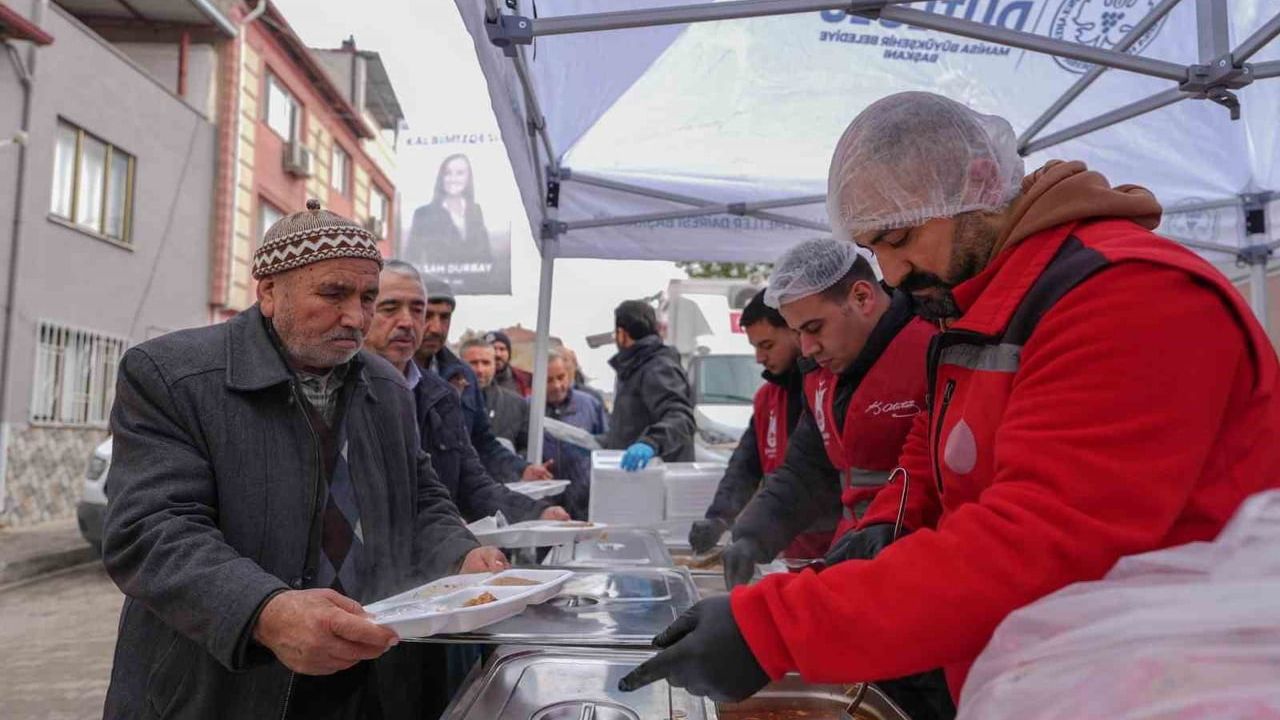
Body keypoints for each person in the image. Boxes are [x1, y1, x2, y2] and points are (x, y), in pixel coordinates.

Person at [618, 91, 1280, 710]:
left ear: (980, 187)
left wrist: (775, 627)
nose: (892, 273)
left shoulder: (1126, 296)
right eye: (874, 248)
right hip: (1049, 676)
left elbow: (1037, 543)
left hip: (1168, 687)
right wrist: (885, 528)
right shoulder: (981, 311)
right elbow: (929, 457)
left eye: (899, 240)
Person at [100, 200, 507, 720]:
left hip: (367, 679)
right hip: (222, 686)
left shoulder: (387, 387)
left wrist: (462, 555)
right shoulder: (171, 375)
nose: (356, 318)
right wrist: (263, 612)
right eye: (333, 293)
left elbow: (421, 498)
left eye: (367, 298)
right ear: (269, 291)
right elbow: (152, 528)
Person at [366, 261, 569, 524]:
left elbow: (470, 477)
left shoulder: (444, 393)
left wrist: (535, 511)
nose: (408, 322)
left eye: (418, 310)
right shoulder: (334, 387)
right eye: (390, 308)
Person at [686, 289, 815, 558]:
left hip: (828, 540)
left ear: (795, 331)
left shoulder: (823, 389)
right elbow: (745, 464)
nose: (759, 358)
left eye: (767, 346)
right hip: (785, 545)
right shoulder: (767, 398)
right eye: (755, 347)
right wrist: (719, 517)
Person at [413, 275, 553, 483]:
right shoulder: (388, 374)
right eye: (427, 315)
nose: (436, 328)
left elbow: (482, 443)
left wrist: (522, 469)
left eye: (444, 317)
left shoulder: (462, 377)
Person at [601, 299, 696, 471]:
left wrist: (651, 442)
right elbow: (632, 425)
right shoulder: (635, 368)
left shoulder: (657, 368)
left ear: (622, 334)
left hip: (657, 478)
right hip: (637, 476)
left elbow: (681, 418)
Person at [540, 348, 610, 519]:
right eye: (549, 380)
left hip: (585, 500)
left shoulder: (589, 404)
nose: (557, 386)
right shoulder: (528, 408)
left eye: (561, 377)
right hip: (545, 504)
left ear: (569, 375)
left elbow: (607, 442)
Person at [405, 153, 493, 270]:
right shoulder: (423, 214)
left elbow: (486, 258)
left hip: (477, 286)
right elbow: (412, 260)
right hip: (437, 286)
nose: (453, 179)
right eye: (447, 173)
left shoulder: (476, 211)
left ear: (468, 178)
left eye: (460, 173)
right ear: (441, 178)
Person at [462, 337, 529, 451]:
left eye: (486, 363)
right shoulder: (447, 401)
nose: (480, 370)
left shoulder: (517, 404)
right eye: (473, 363)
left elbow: (525, 449)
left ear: (494, 366)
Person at [485, 329, 533, 397]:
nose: (498, 354)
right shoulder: (474, 379)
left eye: (502, 349)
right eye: (493, 349)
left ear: (509, 353)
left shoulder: (526, 380)